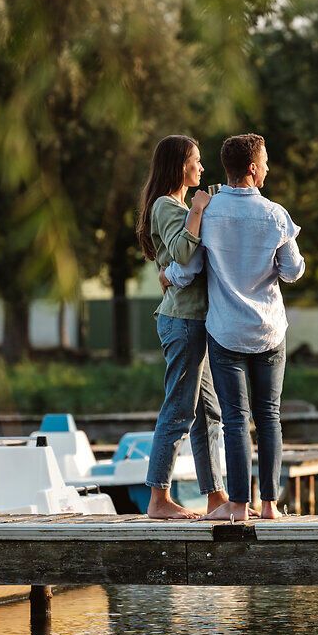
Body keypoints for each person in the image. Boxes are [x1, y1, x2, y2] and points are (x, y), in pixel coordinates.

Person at [194, 133, 304, 521]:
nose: (268, 169)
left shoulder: (208, 213)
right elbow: (292, 271)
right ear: (254, 169)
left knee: (235, 421)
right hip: (269, 331)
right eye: (267, 163)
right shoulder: (275, 214)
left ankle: (239, 506)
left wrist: (168, 275)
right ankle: (270, 505)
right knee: (269, 416)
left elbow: (190, 267)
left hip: (226, 331)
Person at [135, 134, 226, 520]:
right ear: (179, 165)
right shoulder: (166, 205)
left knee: (209, 413)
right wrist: (200, 209)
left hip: (196, 320)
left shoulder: (180, 206)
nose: (201, 168)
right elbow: (183, 252)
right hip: (183, 321)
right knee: (179, 409)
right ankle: (158, 499)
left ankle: (216, 497)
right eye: (196, 161)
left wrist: (202, 209)